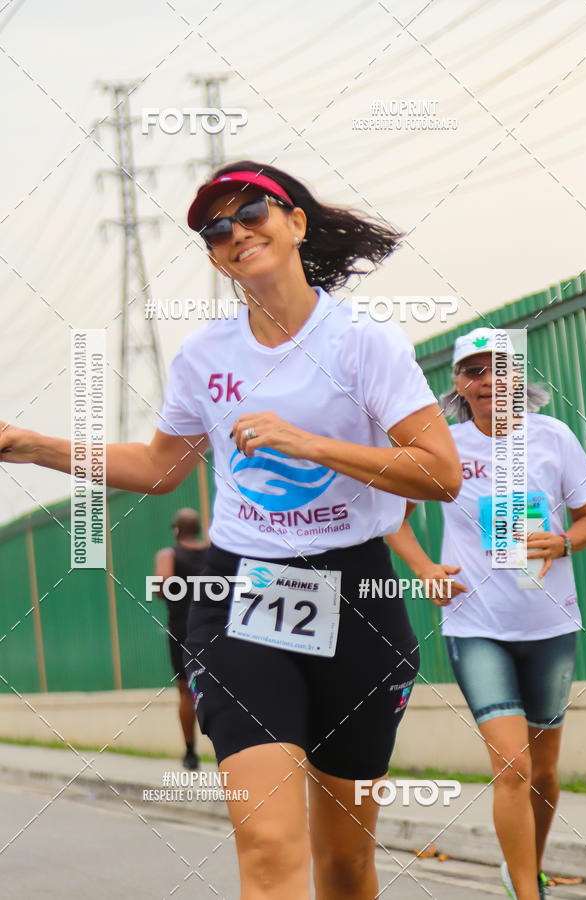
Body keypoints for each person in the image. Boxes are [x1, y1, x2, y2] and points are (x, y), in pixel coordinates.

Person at [0, 160, 462, 899]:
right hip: (245, 597)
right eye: (218, 229)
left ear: (296, 222)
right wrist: (31, 444)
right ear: (214, 255)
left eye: (254, 214)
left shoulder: (363, 345)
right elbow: (159, 467)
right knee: (271, 849)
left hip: (357, 598)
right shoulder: (204, 357)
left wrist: (311, 444)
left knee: (345, 865)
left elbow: (441, 473)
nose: (237, 232)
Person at [386, 326, 586, 900]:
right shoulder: (445, 449)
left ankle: (521, 868)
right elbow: (395, 520)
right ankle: (527, 894)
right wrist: (426, 569)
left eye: (499, 369)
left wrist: (564, 543)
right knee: (512, 766)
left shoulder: (554, 437)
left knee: (545, 772)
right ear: (457, 384)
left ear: (518, 378)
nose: (488, 382)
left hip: (549, 624)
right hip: (476, 625)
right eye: (473, 372)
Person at [154, 507, 209, 770]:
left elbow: (162, 584)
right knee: (222, 688)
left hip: (182, 629)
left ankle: (190, 753)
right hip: (214, 627)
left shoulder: (169, 554)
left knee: (186, 691)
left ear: (177, 530)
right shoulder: (214, 553)